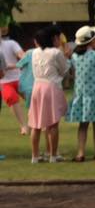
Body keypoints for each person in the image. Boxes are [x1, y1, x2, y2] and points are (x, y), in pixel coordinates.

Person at [66, 26, 95, 161]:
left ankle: (80, 153)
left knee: (83, 125)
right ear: (91, 41)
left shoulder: (74, 57)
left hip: (80, 94)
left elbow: (73, 75)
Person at [28, 25, 71, 163]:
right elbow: (64, 70)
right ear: (54, 38)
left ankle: (35, 156)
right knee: (53, 123)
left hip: (37, 86)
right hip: (51, 86)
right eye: (58, 37)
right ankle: (53, 155)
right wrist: (66, 57)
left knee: (35, 124)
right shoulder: (55, 52)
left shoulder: (35, 52)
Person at [0, 25, 28, 135]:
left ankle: (41, 122)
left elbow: (21, 55)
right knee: (11, 98)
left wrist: (23, 59)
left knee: (31, 99)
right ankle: (23, 126)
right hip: (4, 82)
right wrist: (14, 65)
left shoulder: (11, 43)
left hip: (19, 77)